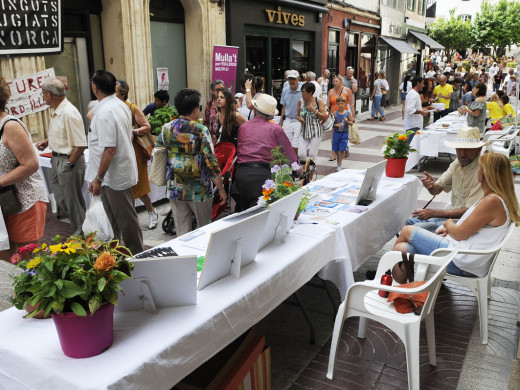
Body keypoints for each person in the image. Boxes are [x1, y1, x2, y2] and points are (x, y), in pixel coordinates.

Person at [396, 151, 520, 278]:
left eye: (480, 167)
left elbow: (460, 233)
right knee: (402, 248)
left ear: (486, 173)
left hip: (461, 260)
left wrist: (449, 224)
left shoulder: (492, 201)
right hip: (465, 257)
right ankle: (400, 290)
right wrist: (450, 229)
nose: (477, 170)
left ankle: (391, 286)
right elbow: (469, 228)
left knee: (407, 230)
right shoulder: (496, 197)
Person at [87, 70, 144, 256]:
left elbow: (109, 149)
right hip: (114, 174)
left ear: (95, 87)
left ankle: (136, 256)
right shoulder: (119, 105)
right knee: (112, 220)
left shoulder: (105, 112)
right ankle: (114, 257)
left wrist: (98, 178)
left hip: (113, 175)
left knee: (125, 219)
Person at [156, 89, 226, 236]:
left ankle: (185, 258)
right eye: (199, 108)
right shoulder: (200, 131)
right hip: (197, 189)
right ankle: (203, 258)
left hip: (175, 186)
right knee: (204, 230)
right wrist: (220, 188)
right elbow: (211, 162)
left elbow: (158, 152)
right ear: (195, 110)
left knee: (182, 232)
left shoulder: (167, 128)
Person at [0, 77, 48, 259]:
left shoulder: (10, 126)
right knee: (7, 258)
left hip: (23, 200)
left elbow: (31, 164)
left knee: (28, 261)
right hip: (4, 202)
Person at [406, 127, 484, 232]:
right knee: (410, 222)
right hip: (453, 217)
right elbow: (436, 190)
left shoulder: (481, 170)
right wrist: (430, 186)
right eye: (459, 148)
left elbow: (470, 211)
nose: (462, 153)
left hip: (464, 223)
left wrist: (433, 213)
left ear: (478, 149)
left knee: (412, 230)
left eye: (467, 148)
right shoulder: (457, 163)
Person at [35, 78, 87, 236]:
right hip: (57, 159)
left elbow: (80, 144)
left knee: (73, 202)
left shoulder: (68, 113)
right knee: (61, 199)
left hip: (69, 160)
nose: (42, 97)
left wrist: (69, 165)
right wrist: (47, 141)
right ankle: (78, 230)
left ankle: (82, 235)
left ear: (49, 95)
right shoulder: (57, 111)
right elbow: (65, 135)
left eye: (43, 94)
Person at [235, 94, 299, 211]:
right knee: (260, 215)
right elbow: (289, 153)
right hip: (262, 175)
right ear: (271, 114)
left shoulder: (244, 127)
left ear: (255, 109)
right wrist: (298, 169)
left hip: (241, 174)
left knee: (242, 212)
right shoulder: (275, 129)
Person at [115, 80, 159, 230]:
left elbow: (147, 126)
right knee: (126, 187)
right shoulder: (112, 108)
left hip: (135, 150)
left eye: (114, 91)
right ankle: (130, 219)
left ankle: (152, 212)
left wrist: (133, 131)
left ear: (122, 93)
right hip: (120, 151)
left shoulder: (132, 108)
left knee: (140, 185)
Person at [296, 82, 327, 162]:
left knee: (312, 154)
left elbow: (324, 117)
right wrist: (299, 119)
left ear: (310, 92)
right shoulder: (300, 101)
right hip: (304, 131)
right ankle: (309, 166)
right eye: (301, 91)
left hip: (316, 131)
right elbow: (297, 115)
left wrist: (313, 110)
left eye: (303, 91)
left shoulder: (318, 101)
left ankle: (311, 172)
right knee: (301, 154)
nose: (302, 93)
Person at [328, 75, 355, 161]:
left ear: (341, 81)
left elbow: (351, 103)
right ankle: (334, 153)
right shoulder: (331, 91)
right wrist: (326, 115)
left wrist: (353, 115)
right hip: (334, 115)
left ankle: (345, 148)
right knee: (333, 134)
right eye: (334, 81)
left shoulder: (347, 90)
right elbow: (327, 104)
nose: (335, 83)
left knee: (343, 134)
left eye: (337, 81)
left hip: (344, 115)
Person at [404, 76, 433, 143]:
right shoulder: (413, 94)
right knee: (410, 146)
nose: (423, 85)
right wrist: (422, 112)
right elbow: (410, 109)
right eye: (422, 83)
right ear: (418, 83)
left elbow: (416, 108)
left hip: (415, 125)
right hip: (413, 126)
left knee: (413, 146)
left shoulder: (414, 93)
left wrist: (426, 109)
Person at [279, 70, 302, 154]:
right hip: (288, 119)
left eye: (293, 79)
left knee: (296, 145)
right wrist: (281, 122)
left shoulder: (303, 89)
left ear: (298, 79)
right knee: (287, 143)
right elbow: (284, 107)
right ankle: (292, 162)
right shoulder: (285, 90)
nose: (291, 81)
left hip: (299, 120)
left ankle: (295, 162)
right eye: (290, 79)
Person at [331, 96, 353, 172]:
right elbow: (331, 124)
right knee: (336, 149)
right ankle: (338, 160)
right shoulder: (335, 113)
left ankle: (339, 163)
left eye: (342, 103)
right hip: (336, 133)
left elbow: (351, 123)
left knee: (342, 149)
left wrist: (347, 121)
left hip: (344, 134)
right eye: (339, 103)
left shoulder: (347, 113)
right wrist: (336, 125)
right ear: (336, 104)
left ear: (345, 104)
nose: (340, 105)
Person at [202, 79, 224, 144]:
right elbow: (205, 120)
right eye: (218, 89)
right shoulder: (210, 103)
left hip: (224, 137)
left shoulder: (227, 103)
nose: (220, 91)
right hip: (212, 138)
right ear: (213, 91)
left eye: (222, 89)